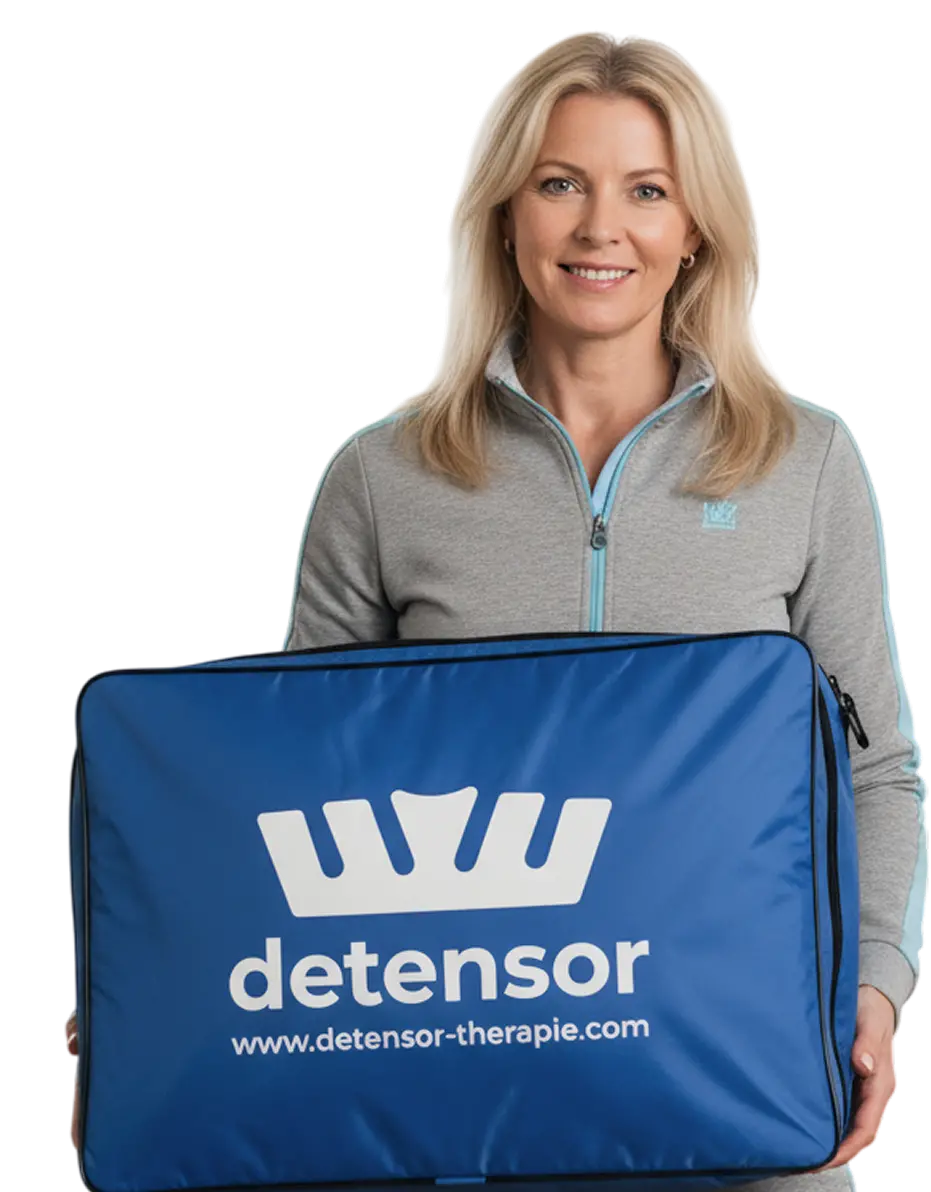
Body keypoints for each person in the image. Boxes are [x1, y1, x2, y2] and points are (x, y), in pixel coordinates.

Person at [67, 31, 924, 1190]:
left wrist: (872, 982)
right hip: (465, 1123)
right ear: (505, 216)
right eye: (560, 183)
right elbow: (291, 792)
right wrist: (156, 1013)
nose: (600, 228)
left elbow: (875, 770)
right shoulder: (383, 479)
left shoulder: (803, 465)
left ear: (695, 228)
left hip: (750, 1117)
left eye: (646, 190)